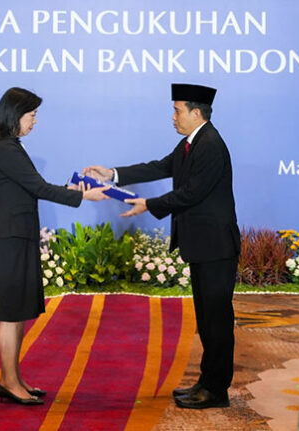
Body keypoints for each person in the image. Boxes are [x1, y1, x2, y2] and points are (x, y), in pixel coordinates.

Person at [84, 83, 239, 409]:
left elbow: (192, 193)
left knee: (217, 320)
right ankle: (207, 382)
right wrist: (112, 174)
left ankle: (216, 389)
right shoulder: (190, 143)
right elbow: (159, 167)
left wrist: (148, 204)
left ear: (196, 113)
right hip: (203, 246)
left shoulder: (211, 145)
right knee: (207, 319)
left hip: (216, 247)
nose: (173, 117)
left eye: (177, 110)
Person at [0, 87, 108, 405]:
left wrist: (70, 188)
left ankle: (13, 379)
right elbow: (37, 187)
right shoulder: (5, 148)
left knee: (18, 312)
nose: (34, 121)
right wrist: (83, 196)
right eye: (32, 115)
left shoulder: (10, 145)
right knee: (10, 314)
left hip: (18, 235)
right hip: (9, 238)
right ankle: (9, 382)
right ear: (15, 114)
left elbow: (30, 186)